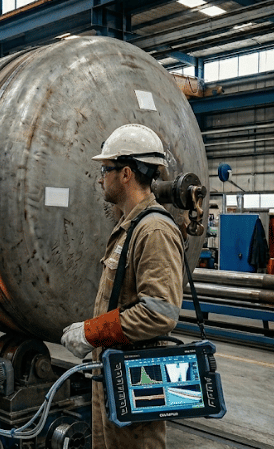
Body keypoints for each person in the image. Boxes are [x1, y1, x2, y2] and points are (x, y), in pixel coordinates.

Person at [61, 124, 184, 448]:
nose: (101, 177)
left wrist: (92, 332)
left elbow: (160, 313)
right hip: (113, 375)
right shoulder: (127, 226)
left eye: (106, 169)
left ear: (126, 173)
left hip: (139, 380)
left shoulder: (154, 230)